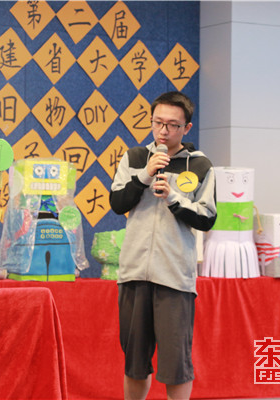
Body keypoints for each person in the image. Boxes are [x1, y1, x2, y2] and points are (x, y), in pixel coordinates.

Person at [109, 91, 217, 400]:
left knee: (175, 365)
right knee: (135, 364)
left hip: (174, 277)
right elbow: (118, 203)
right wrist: (144, 175)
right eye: (158, 123)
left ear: (186, 127)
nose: (163, 131)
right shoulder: (134, 158)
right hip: (134, 273)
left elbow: (207, 218)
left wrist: (173, 198)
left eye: (172, 125)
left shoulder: (200, 165)